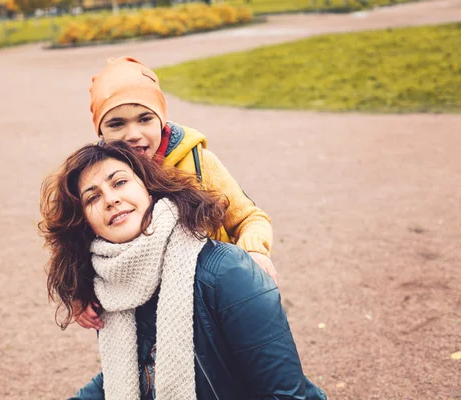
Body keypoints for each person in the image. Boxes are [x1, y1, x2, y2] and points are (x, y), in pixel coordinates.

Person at [39, 141, 326, 400]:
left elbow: (285, 394)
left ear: (148, 188)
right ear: (85, 223)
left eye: (120, 182)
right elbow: (133, 372)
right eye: (92, 198)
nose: (110, 200)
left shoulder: (227, 272)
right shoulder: (111, 286)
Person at [76, 56, 277, 330]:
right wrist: (79, 289)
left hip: (216, 300)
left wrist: (254, 252)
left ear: (161, 119)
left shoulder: (199, 163)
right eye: (116, 124)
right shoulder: (97, 180)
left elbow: (249, 218)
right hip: (150, 320)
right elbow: (77, 241)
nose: (133, 134)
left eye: (145, 119)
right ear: (100, 130)